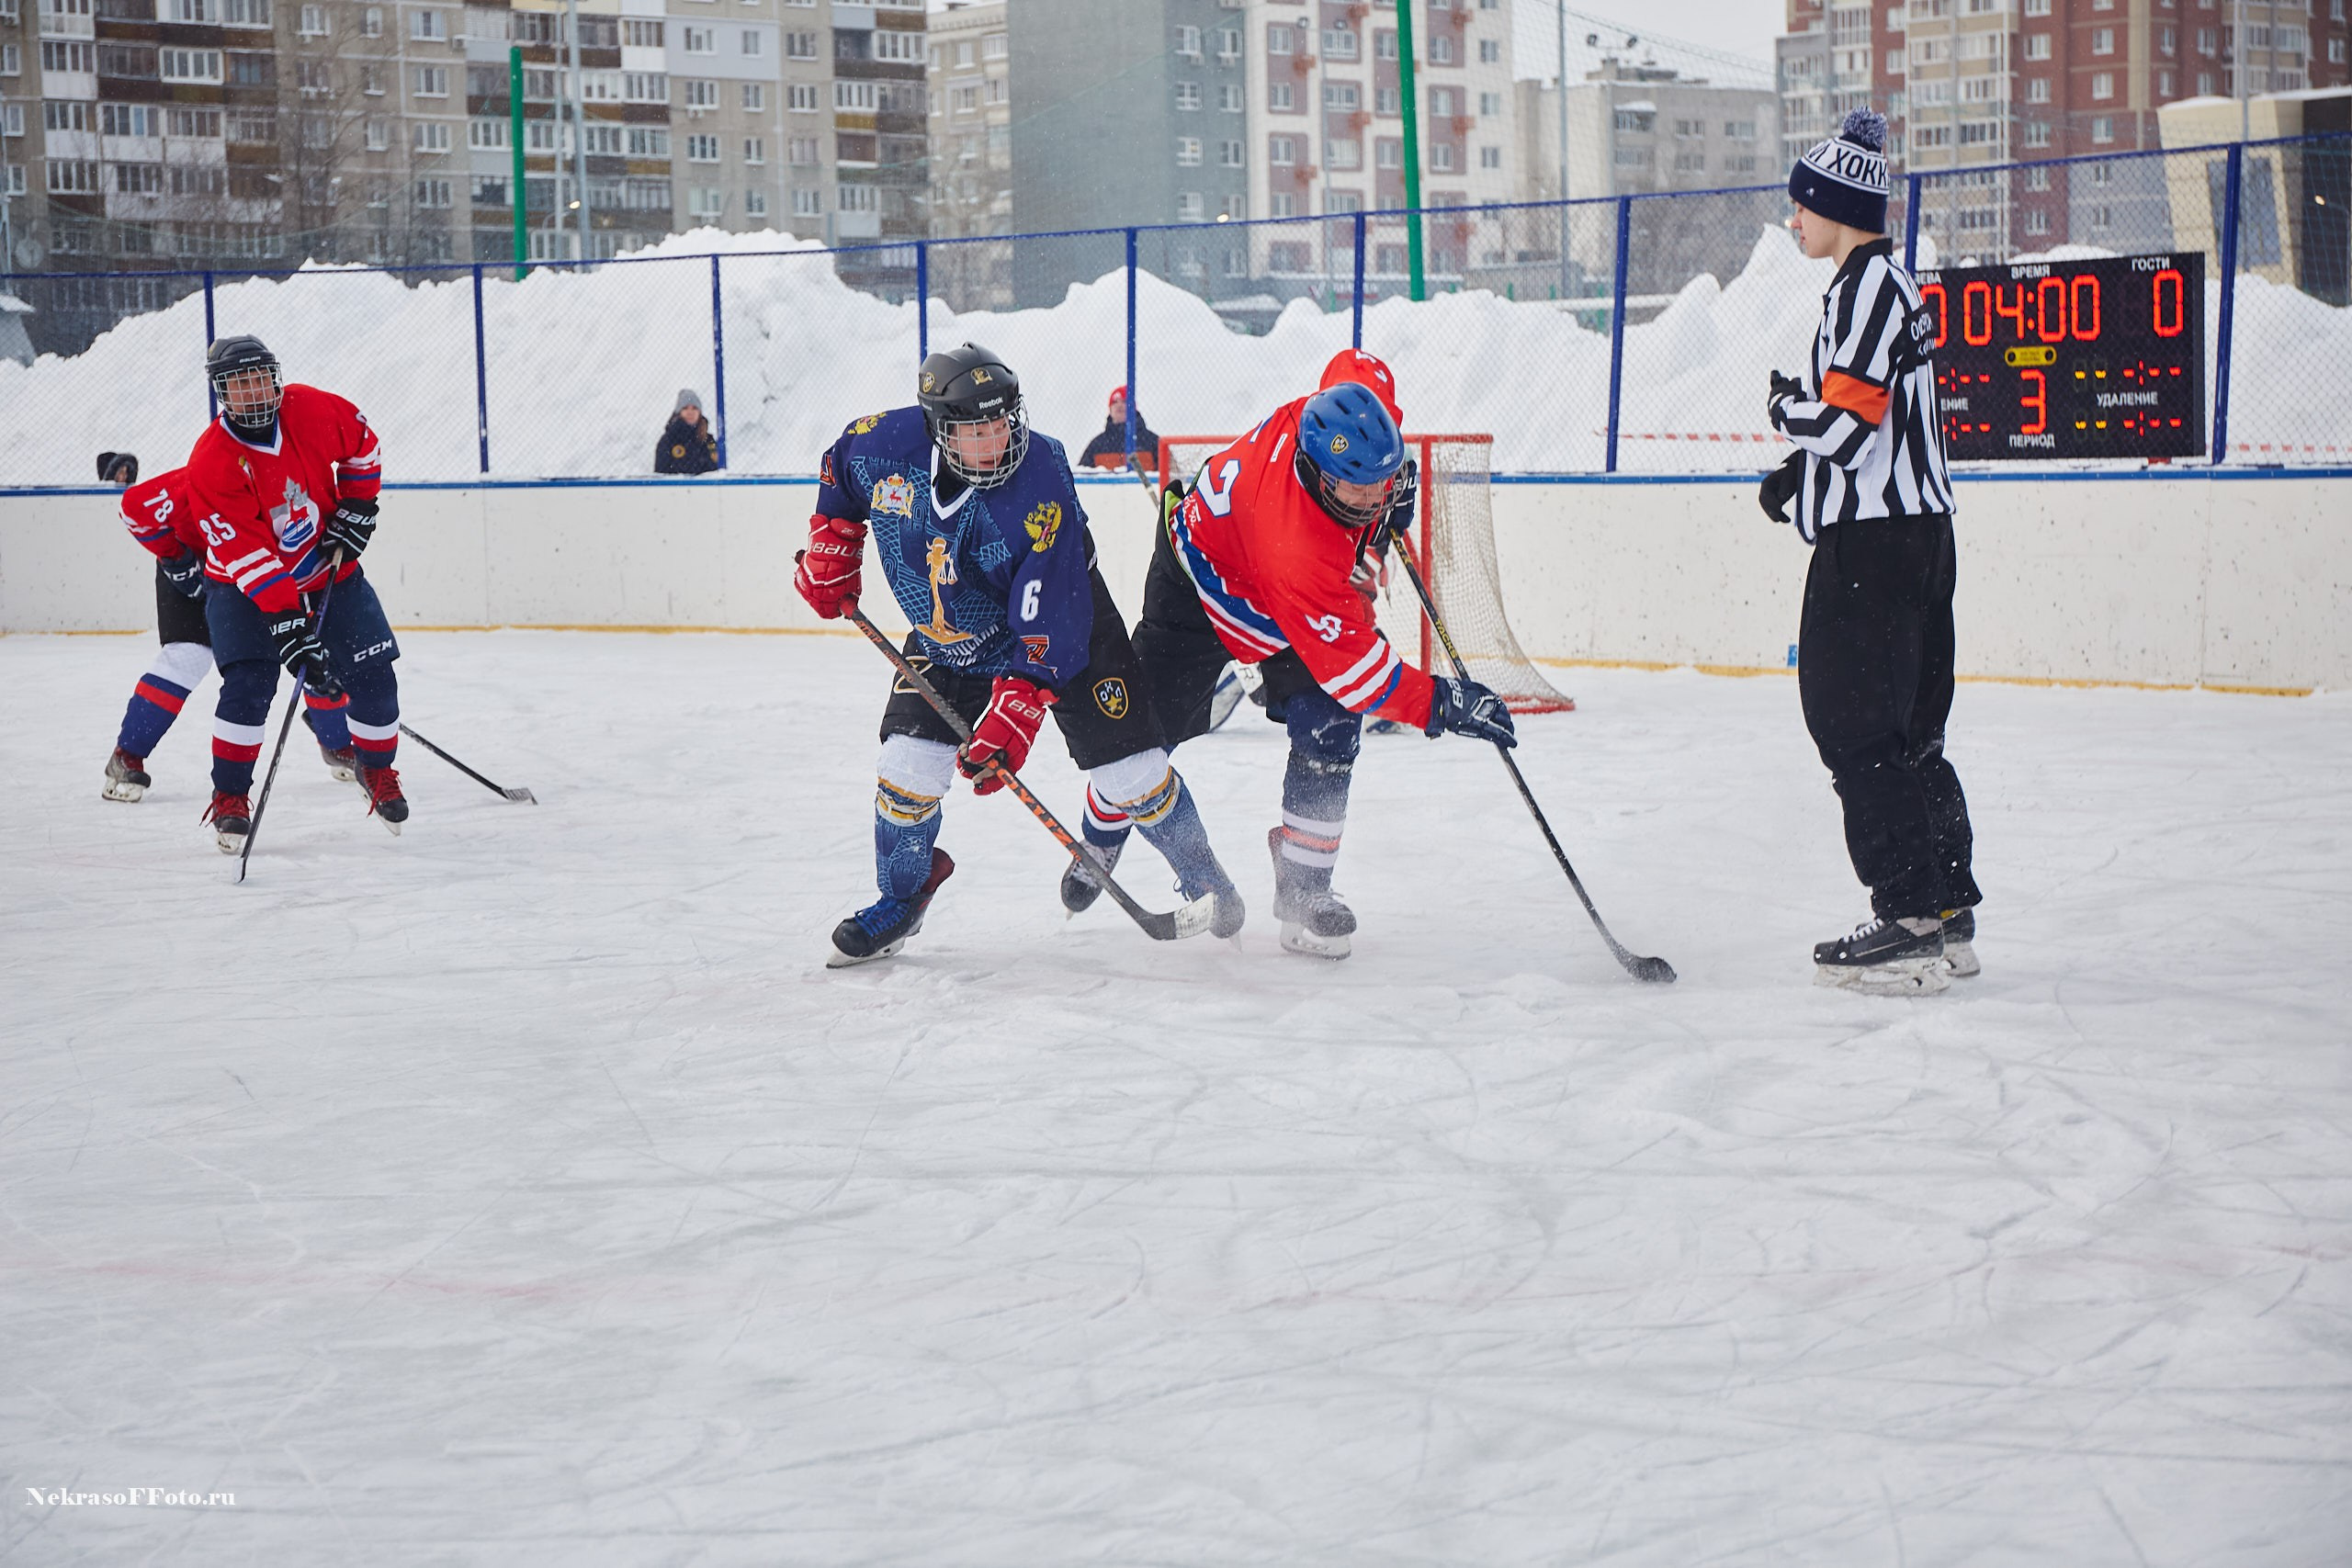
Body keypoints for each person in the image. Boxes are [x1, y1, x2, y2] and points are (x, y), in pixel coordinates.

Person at [793, 343, 1244, 966]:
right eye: (975, 431)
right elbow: (838, 469)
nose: (996, 441)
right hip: (949, 631)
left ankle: (1203, 874)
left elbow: (1052, 614)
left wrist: (1020, 703)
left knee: (1132, 773)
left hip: (1067, 623)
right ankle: (902, 898)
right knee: (905, 770)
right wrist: (833, 541)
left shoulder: (1041, 475)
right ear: (938, 428)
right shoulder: (882, 445)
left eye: (1002, 423)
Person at [1125, 348, 1515, 960]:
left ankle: (1305, 891)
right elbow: (1357, 672)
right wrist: (1441, 703)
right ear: (1319, 469)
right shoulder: (1296, 543)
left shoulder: (1348, 413)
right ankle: (1108, 832)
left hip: (1276, 581)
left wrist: (1382, 502)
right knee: (1135, 741)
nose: (1376, 492)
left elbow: (1358, 376)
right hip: (1201, 590)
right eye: (1360, 486)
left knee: (1331, 721)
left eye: (1382, 475)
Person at [1761, 107, 1980, 994]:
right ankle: (1946, 909)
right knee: (1913, 731)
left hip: (1873, 548)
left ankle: (1907, 919)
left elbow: (1848, 429)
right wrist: (1797, 474)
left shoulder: (1864, 291)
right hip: (1922, 538)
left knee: (1852, 726)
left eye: (1802, 205)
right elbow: (1881, 424)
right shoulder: (1898, 287)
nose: (1794, 220)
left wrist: (1784, 411)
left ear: (1839, 208)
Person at [183, 334, 407, 852]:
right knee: (250, 686)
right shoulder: (212, 461)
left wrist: (358, 507)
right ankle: (230, 797)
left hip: (328, 566)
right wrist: (288, 623)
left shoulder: (311, 409)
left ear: (275, 378)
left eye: (260, 378)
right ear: (222, 393)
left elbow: (364, 448)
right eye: (240, 384)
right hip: (242, 587)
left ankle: (377, 770)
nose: (254, 391)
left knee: (374, 674)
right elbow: (247, 556)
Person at [103, 455, 356, 803]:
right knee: (188, 656)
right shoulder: (195, 481)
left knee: (310, 647)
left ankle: (337, 742)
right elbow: (134, 507)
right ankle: (127, 754)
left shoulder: (286, 477)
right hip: (197, 569)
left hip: (263, 572)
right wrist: (175, 557)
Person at [1076, 386, 1159, 475]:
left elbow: (1168, 473)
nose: (1119, 405)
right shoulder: (1097, 445)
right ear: (1110, 409)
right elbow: (1081, 475)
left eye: (1124, 401)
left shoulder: (1152, 442)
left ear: (1133, 408)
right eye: (1115, 402)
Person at [654, 389, 719, 475]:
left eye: (694, 408)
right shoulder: (668, 440)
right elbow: (661, 474)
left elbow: (715, 471)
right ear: (679, 412)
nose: (690, 412)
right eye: (685, 408)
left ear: (699, 412)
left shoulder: (708, 440)